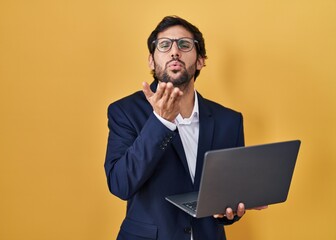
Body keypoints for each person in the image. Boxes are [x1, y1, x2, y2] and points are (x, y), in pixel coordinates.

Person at [105, 15, 265, 240]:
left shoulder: (229, 121)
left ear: (200, 60)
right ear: (151, 60)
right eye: (164, 44)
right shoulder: (124, 112)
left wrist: (230, 212)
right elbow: (121, 184)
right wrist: (161, 122)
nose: (174, 51)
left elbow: (227, 196)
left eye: (184, 44)